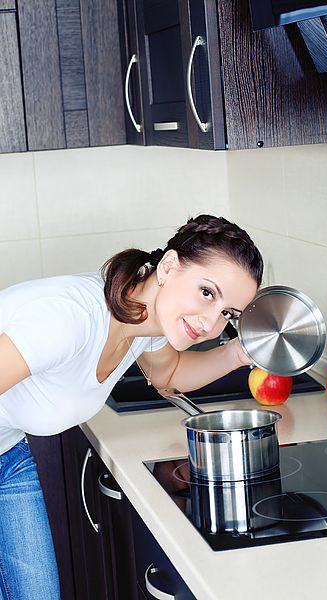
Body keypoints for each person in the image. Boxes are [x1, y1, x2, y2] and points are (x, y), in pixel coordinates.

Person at [0, 214, 263, 599]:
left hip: (8, 453)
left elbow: (169, 375)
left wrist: (242, 351)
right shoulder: (69, 319)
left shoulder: (143, 322)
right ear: (169, 267)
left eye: (228, 314)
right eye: (207, 292)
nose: (210, 323)